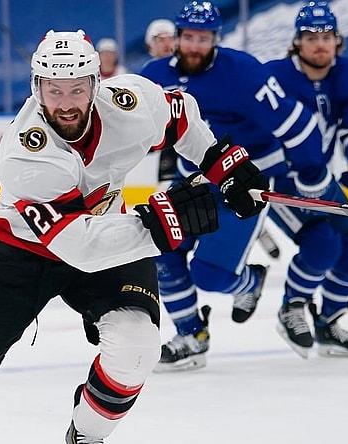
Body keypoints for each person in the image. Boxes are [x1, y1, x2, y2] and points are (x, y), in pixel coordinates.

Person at [0, 29, 268, 444]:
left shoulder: (128, 104)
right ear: (36, 88)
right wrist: (164, 225)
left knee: (136, 348)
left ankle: (86, 437)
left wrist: (222, 163)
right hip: (19, 253)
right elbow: (81, 246)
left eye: (77, 89)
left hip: (107, 230)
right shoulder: (27, 154)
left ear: (97, 84)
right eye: (53, 90)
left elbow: (180, 113)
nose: (65, 103)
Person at [139, 0, 330, 372]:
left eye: (203, 38)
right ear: (176, 38)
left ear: (216, 38)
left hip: (241, 185)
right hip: (191, 181)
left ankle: (249, 282)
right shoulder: (153, 76)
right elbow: (123, 131)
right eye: (189, 37)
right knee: (161, 248)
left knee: (211, 276)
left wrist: (312, 174)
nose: (195, 45)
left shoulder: (241, 71)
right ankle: (192, 336)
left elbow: (295, 122)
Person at [266, 1, 348, 358]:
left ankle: (328, 324)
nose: (320, 44)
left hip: (321, 179)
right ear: (297, 42)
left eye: (327, 36)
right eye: (311, 37)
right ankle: (292, 307)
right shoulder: (274, 77)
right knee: (322, 245)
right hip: (276, 182)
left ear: (337, 40)